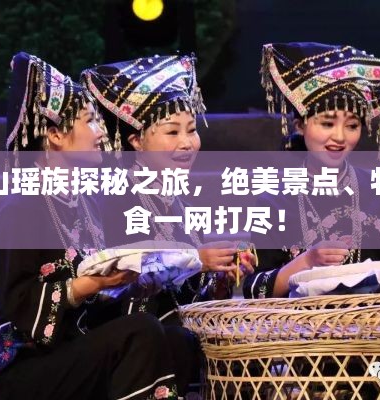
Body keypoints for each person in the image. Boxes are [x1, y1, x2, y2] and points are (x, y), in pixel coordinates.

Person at [0, 52, 179, 400]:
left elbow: (100, 290)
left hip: (77, 341)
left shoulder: (86, 201)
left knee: (177, 339)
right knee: (141, 333)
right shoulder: (20, 208)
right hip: (29, 361)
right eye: (90, 122)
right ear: (56, 135)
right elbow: (20, 304)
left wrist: (132, 277)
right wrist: (92, 283)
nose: (100, 132)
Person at [82, 54, 255, 397]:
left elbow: (186, 295)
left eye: (191, 130)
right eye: (172, 132)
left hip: (174, 330)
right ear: (136, 141)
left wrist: (221, 277)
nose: (187, 142)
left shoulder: (181, 199)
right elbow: (120, 281)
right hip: (127, 337)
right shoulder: (114, 197)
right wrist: (197, 259)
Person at [244, 42, 380, 299]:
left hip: (371, 320)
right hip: (297, 322)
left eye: (352, 126)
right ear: (300, 126)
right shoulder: (273, 199)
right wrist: (306, 261)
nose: (339, 137)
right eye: (327, 123)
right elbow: (254, 289)